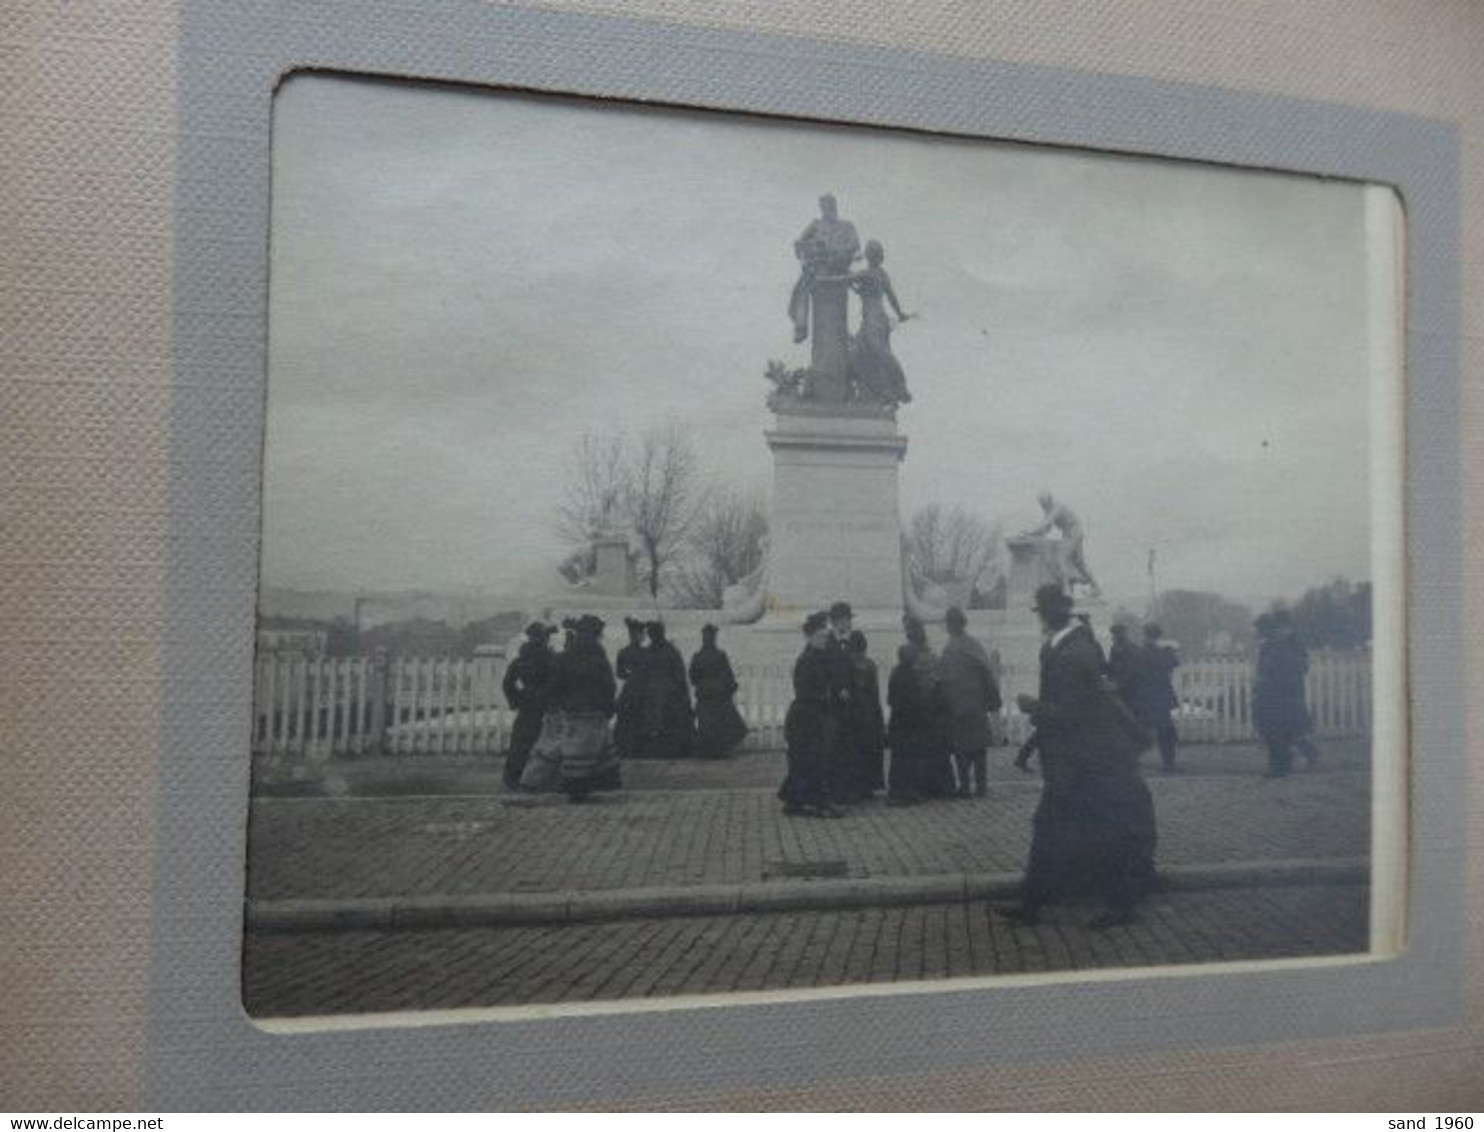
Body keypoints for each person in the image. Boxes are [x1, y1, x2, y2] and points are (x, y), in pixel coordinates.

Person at [998, 584, 1158, 928]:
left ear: (1054, 613)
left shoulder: (1073, 654)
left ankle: (1118, 906)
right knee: (1051, 829)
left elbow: (1071, 713)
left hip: (1090, 762)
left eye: (1041, 611)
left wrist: (1032, 706)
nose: (1039, 618)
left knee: (1094, 831)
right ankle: (1033, 903)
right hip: (1080, 761)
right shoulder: (1069, 647)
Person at [521, 614, 620, 801]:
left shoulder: (566, 657)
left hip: (574, 712)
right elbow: (609, 685)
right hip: (591, 713)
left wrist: (552, 701)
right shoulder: (598, 658)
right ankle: (583, 788)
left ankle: (542, 782)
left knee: (572, 750)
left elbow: (556, 684)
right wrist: (608, 707)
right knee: (590, 751)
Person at [778, 611, 847, 817]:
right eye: (820, 637)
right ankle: (818, 803)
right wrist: (827, 698)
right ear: (809, 637)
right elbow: (805, 692)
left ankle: (796, 801)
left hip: (815, 716)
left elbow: (829, 681)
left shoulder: (819, 657)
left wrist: (835, 692)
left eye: (826, 636)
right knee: (810, 760)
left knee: (809, 761)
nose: (825, 640)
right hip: (805, 717)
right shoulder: (806, 660)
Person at [939, 605, 1001, 798]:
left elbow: (945, 679)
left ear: (950, 626)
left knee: (961, 749)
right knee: (979, 748)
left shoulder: (950, 649)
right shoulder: (974, 645)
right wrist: (992, 701)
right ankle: (981, 786)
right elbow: (987, 673)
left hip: (958, 705)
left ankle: (965, 787)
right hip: (976, 704)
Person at [789, 193, 861, 343]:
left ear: (834, 206)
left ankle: (842, 334)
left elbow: (855, 245)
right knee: (802, 289)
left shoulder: (847, 226)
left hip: (839, 269)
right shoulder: (815, 225)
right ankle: (801, 326)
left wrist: (838, 251)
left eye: (829, 205)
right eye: (823, 206)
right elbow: (799, 245)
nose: (826, 210)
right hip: (817, 271)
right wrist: (808, 253)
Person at [1252, 610, 1317, 777]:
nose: (1279, 631)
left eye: (1282, 628)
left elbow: (1301, 667)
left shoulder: (1291, 644)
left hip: (1286, 694)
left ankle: (1281, 767)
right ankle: (1282, 765)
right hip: (1273, 694)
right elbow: (1264, 668)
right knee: (1278, 731)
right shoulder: (1270, 645)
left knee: (1282, 732)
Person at [848, 239, 913, 405]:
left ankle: (900, 386)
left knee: (880, 353)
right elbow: (892, 297)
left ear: (869, 256)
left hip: (873, 320)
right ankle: (885, 390)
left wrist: (849, 261)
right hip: (875, 320)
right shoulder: (882, 274)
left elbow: (846, 278)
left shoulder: (867, 273)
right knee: (857, 353)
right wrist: (900, 314)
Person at [900, 614, 955, 797]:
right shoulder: (931, 655)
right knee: (935, 750)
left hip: (920, 707)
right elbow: (939, 681)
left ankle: (923, 786)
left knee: (921, 750)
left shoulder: (911, 656)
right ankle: (939, 786)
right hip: (933, 707)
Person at [500, 621, 558, 791]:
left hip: (526, 704)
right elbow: (556, 681)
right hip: (544, 706)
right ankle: (540, 781)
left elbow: (507, 683)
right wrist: (547, 696)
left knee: (520, 742)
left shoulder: (521, 658)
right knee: (546, 742)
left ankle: (512, 780)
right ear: (543, 638)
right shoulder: (549, 657)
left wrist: (517, 700)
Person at [633, 621, 694, 760]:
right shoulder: (650, 652)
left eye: (655, 633)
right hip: (652, 692)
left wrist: (680, 692)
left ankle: (668, 750)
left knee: (666, 721)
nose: (653, 636)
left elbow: (679, 674)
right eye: (652, 634)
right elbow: (642, 673)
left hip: (667, 693)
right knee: (652, 722)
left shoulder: (670, 651)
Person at [1023, 492, 1101, 598]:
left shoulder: (1057, 507)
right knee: (1079, 563)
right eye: (1041, 504)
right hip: (1072, 532)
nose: (1042, 506)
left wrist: (1029, 532)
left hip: (1072, 532)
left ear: (1048, 501)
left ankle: (1066, 590)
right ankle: (1096, 587)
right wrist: (1032, 533)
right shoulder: (1050, 510)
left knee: (1060, 559)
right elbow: (1045, 528)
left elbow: (1046, 524)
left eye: (1043, 503)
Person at [689, 623, 748, 759]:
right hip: (719, 695)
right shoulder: (720, 655)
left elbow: (693, 677)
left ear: (703, 638)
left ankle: (708, 752)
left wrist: (704, 684)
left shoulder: (697, 657)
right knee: (720, 724)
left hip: (704, 695)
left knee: (707, 725)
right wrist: (730, 687)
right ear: (714, 638)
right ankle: (720, 751)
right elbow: (728, 675)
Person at [843, 629, 886, 799]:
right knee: (870, 750)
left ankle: (855, 787)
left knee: (854, 751)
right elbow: (875, 692)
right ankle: (868, 786)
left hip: (854, 712)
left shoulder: (849, 664)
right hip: (870, 711)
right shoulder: (870, 664)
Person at [1140, 624, 1181, 773]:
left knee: (1141, 728)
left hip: (1146, 696)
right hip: (1158, 697)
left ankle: (1133, 762)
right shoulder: (1160, 652)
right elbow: (1173, 664)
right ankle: (1168, 763)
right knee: (1165, 731)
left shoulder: (1143, 652)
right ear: (1158, 636)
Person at [612, 617, 646, 760]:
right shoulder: (645, 652)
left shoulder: (623, 652)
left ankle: (628, 748)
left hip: (631, 686)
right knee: (634, 717)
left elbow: (620, 673)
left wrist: (629, 675)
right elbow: (620, 673)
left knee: (629, 718)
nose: (638, 636)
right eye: (637, 634)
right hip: (639, 687)